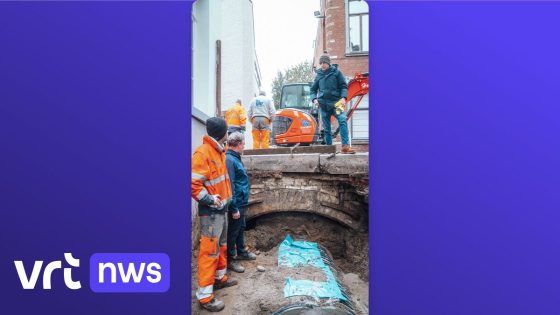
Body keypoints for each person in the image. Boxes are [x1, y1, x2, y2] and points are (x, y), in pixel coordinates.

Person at [191, 117, 238, 312]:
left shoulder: (219, 150)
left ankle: (220, 278)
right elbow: (193, 184)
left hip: (221, 209)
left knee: (222, 245)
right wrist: (210, 200)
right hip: (210, 212)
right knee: (209, 252)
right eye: (227, 130)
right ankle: (205, 296)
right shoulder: (203, 153)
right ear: (223, 133)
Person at [311, 51, 356, 154]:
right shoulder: (319, 75)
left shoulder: (337, 73)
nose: (322, 65)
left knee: (343, 120)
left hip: (337, 103)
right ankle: (329, 149)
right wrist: (314, 99)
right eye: (321, 63)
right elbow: (312, 90)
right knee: (326, 128)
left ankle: (345, 146)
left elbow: (343, 86)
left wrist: (344, 98)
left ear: (328, 63)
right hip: (323, 105)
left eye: (324, 62)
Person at [225, 132, 257, 273]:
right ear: (238, 144)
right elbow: (230, 186)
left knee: (241, 227)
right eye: (243, 143)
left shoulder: (236, 158)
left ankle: (242, 251)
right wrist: (234, 208)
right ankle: (230, 259)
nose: (244, 146)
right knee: (233, 231)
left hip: (241, 201)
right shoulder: (230, 160)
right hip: (236, 202)